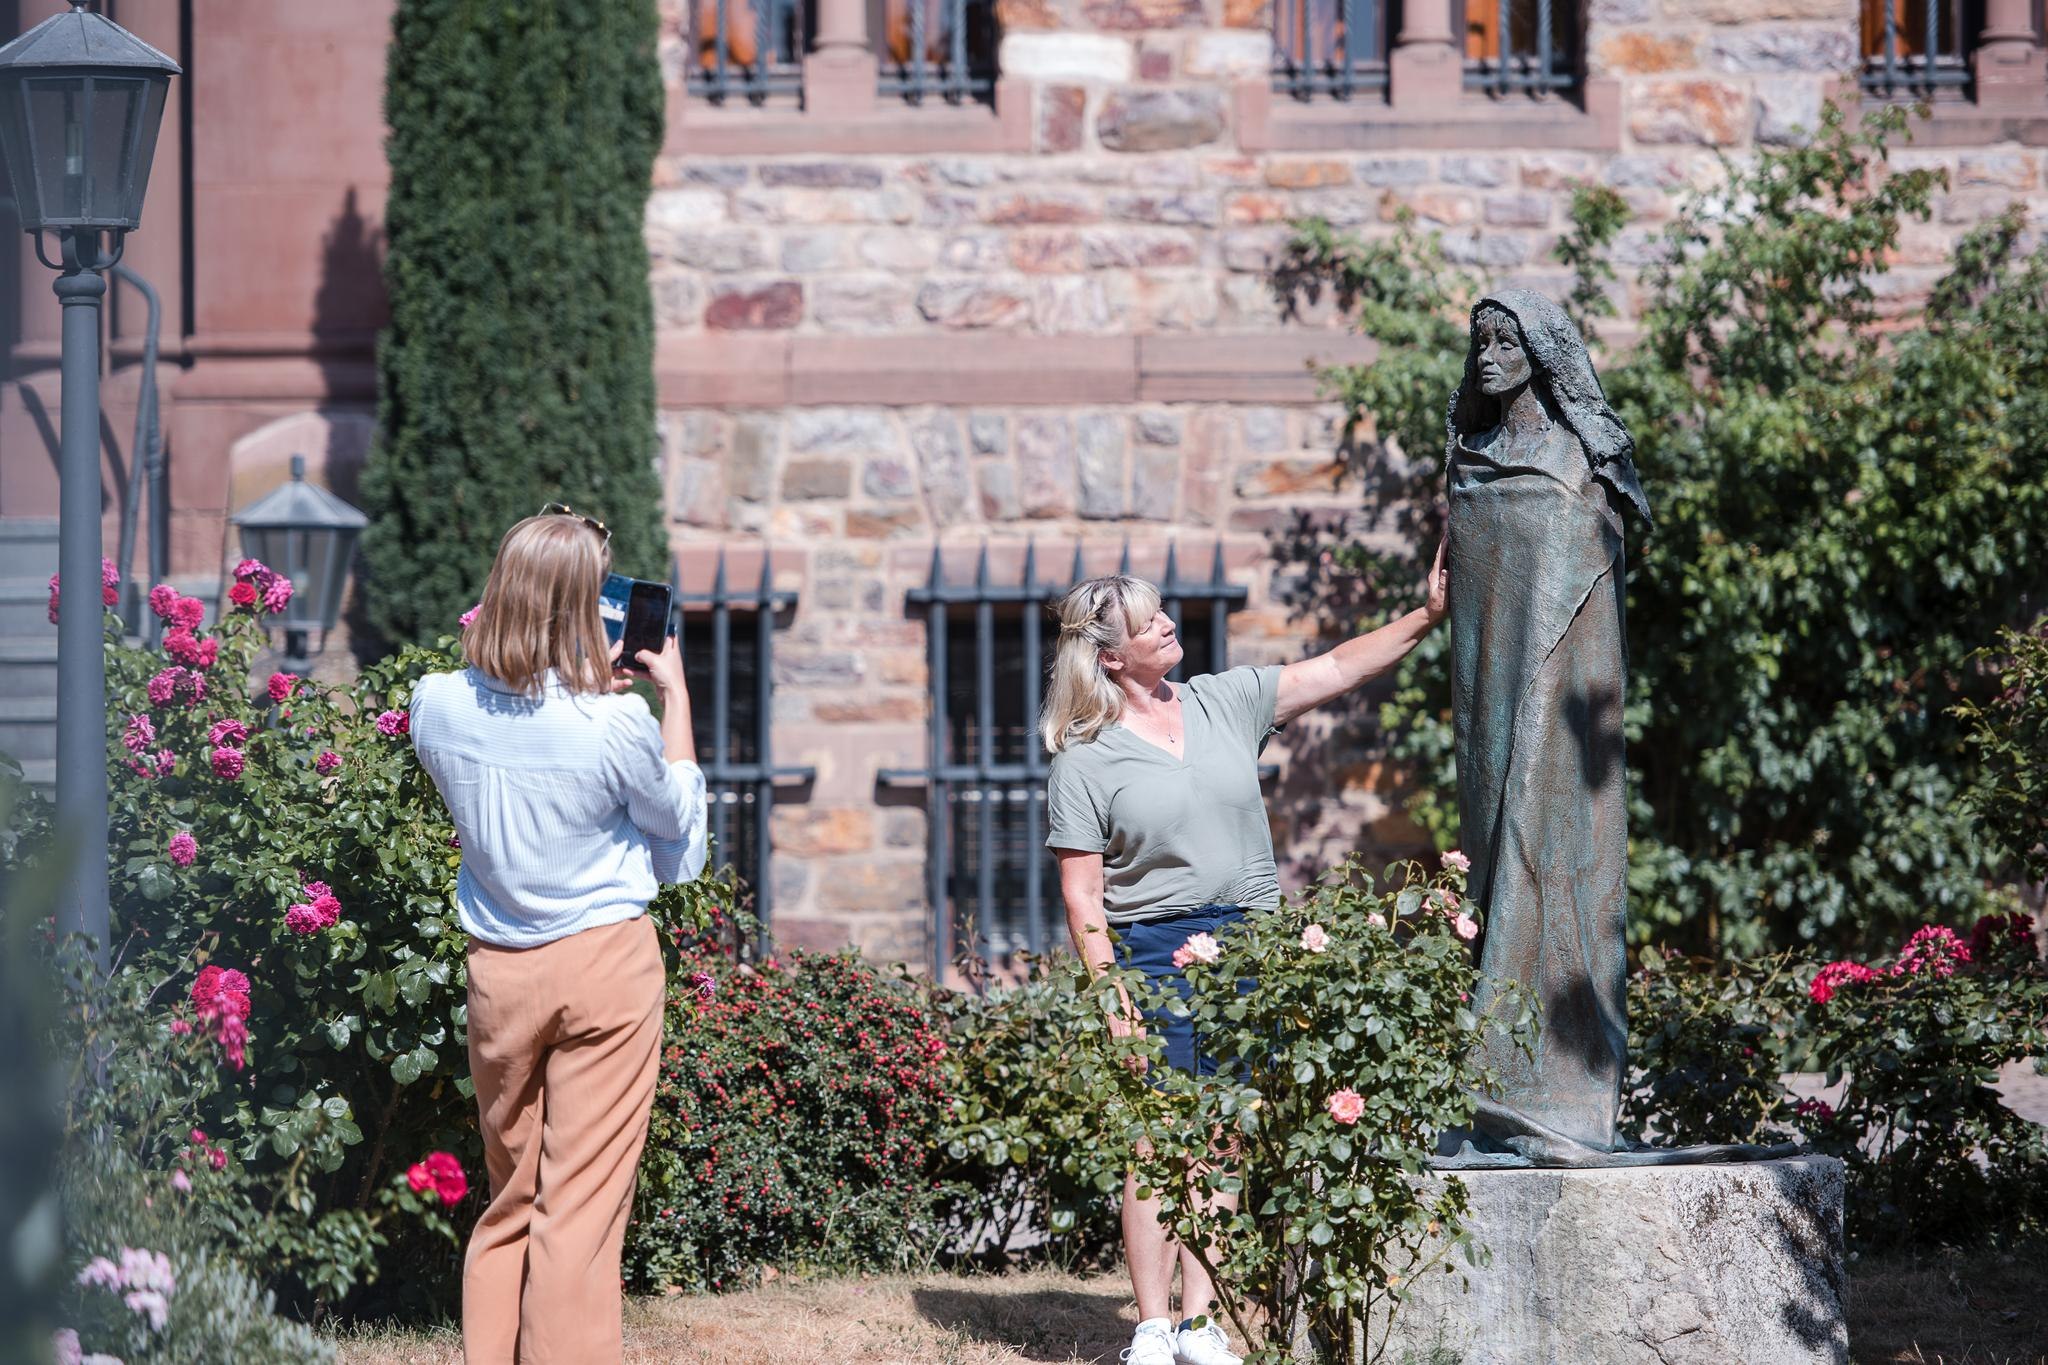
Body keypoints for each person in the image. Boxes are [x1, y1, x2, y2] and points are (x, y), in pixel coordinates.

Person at [1044, 552, 1448, 1365]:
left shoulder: (1223, 701)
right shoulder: (1084, 758)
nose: (1169, 624)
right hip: (1152, 950)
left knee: (1226, 1133)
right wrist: (1113, 999)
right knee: (1158, 1140)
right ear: (1111, 657)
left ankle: (1200, 1324)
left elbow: (1338, 667)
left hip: (1248, 945)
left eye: (1163, 610)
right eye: (1148, 623)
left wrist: (1428, 615)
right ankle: (1152, 1327)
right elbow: (1083, 897)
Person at [409, 507, 708, 1365]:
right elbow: (678, 843)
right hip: (604, 963)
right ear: (582, 606)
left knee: (511, 1195)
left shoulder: (436, 704)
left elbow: (502, 737)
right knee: (578, 1207)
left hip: (499, 969)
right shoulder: (613, 725)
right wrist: (674, 698)